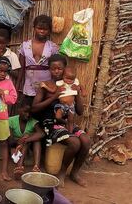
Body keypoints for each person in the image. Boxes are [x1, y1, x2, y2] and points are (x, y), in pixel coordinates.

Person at [32, 54, 90, 188]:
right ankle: (62, 173)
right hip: (50, 123)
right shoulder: (46, 85)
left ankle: (75, 173)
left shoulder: (71, 85)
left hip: (66, 123)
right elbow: (34, 109)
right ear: (49, 69)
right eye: (53, 69)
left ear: (65, 69)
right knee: (74, 142)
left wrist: (78, 95)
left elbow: (80, 111)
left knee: (86, 141)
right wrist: (55, 96)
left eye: (59, 69)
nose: (56, 71)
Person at [17, 15, 59, 110]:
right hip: (28, 87)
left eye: (45, 29)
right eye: (39, 28)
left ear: (49, 31)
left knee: (44, 112)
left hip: (46, 87)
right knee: (28, 112)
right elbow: (21, 68)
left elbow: (56, 69)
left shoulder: (52, 47)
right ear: (34, 28)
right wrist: (17, 87)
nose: (42, 31)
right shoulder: (24, 46)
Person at [40, 66, 86, 133]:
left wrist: (79, 90)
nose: (69, 81)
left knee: (71, 121)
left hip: (71, 106)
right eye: (67, 78)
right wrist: (45, 86)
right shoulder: (60, 83)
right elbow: (53, 91)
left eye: (71, 79)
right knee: (58, 117)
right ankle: (65, 122)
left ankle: (70, 133)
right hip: (62, 105)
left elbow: (84, 93)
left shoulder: (76, 83)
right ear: (63, 76)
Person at [8, 104, 44, 180]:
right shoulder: (11, 120)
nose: (27, 115)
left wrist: (26, 139)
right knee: (26, 141)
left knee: (36, 141)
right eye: (25, 112)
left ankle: (36, 167)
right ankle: (19, 166)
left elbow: (41, 134)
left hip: (27, 145)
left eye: (29, 113)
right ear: (19, 110)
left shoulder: (33, 122)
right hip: (15, 146)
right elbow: (10, 141)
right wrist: (19, 141)